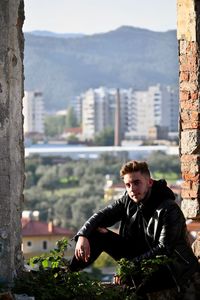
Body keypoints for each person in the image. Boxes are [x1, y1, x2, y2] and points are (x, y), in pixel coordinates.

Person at [70, 160, 199, 294]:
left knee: (135, 293)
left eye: (137, 183)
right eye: (128, 185)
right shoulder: (128, 200)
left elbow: (164, 249)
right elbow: (102, 215)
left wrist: (128, 268)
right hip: (139, 258)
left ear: (149, 182)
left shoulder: (168, 208)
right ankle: (67, 274)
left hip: (169, 267)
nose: (132, 189)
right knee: (96, 233)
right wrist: (83, 235)